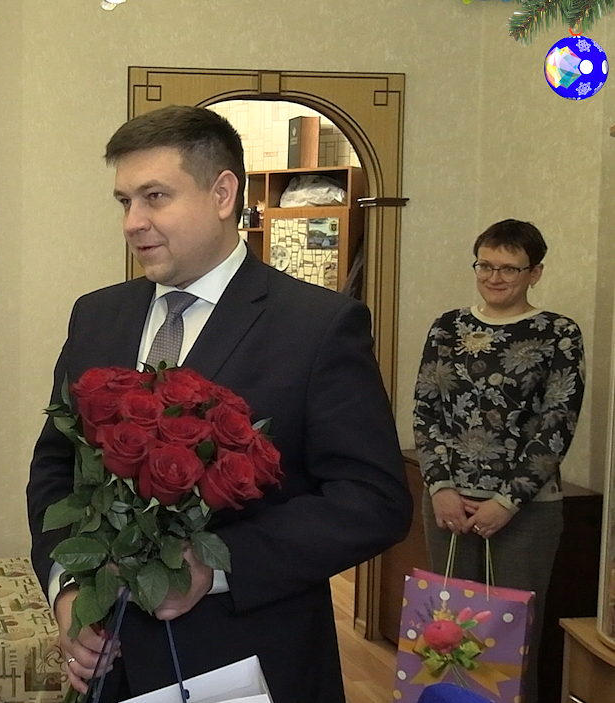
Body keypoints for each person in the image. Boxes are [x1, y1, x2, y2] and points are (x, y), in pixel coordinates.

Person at [26, 105, 413, 703]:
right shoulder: (97, 315)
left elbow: (373, 500)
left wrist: (217, 566)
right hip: (110, 666)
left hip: (251, 662)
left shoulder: (318, 326)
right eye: (124, 201)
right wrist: (69, 589)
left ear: (223, 193)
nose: (133, 222)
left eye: (155, 197)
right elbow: (57, 466)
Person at [413, 219, 584, 703]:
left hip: (525, 512)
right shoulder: (448, 327)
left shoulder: (558, 333)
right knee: (449, 632)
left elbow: (557, 423)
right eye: (485, 265)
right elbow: (426, 410)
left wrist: (506, 501)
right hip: (448, 506)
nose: (494, 277)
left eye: (509, 268)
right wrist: (440, 487)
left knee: (511, 642)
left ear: (535, 273)